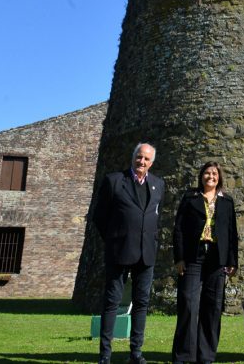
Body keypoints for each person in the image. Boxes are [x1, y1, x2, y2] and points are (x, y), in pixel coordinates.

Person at [91, 141, 166, 364]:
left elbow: (155, 215)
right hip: (119, 251)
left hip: (146, 253)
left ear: (151, 163)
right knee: (112, 302)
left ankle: (136, 352)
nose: (141, 162)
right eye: (139, 157)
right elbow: (99, 217)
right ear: (133, 157)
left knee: (141, 304)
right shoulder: (114, 181)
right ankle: (105, 354)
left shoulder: (158, 184)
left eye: (146, 159)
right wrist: (114, 239)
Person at [172, 161, 238, 364]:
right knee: (188, 304)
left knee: (213, 306)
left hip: (217, 258)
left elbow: (232, 233)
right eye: (207, 173)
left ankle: (206, 355)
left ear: (219, 177)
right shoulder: (190, 197)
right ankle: (184, 355)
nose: (211, 176)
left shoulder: (226, 201)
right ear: (201, 176)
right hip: (193, 256)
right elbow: (179, 229)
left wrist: (232, 260)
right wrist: (179, 258)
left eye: (215, 174)